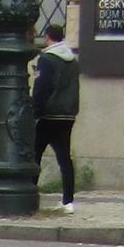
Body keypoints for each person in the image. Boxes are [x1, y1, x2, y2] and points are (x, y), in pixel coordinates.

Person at [31, 22, 81, 210]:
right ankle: (68, 201)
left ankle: (31, 194)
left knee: (35, 154)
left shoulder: (47, 59)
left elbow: (41, 88)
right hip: (67, 114)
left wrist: (35, 111)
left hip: (49, 114)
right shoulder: (72, 60)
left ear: (46, 38)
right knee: (64, 158)